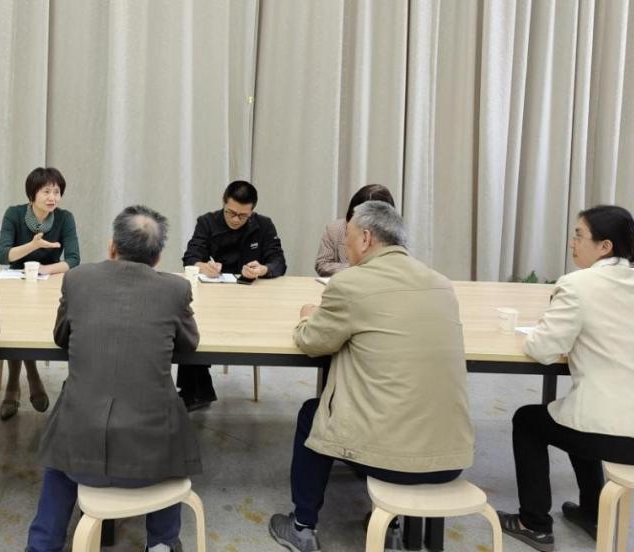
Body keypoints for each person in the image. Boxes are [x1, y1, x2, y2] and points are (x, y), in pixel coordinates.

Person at [267, 201, 474, 552]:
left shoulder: (351, 283)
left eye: (347, 238)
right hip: (452, 456)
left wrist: (306, 316)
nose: (345, 247)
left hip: (392, 459)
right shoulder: (441, 283)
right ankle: (392, 523)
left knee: (312, 414)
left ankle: (302, 526)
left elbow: (313, 342)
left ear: (365, 238)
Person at [26, 205, 200, 552]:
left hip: (79, 454)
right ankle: (162, 543)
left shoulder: (77, 279)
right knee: (170, 424)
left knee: (64, 445)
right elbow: (189, 343)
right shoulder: (175, 289)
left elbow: (61, 336)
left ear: (112, 246)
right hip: (151, 460)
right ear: (158, 257)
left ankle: (42, 545)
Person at [498, 205, 634, 552]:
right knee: (572, 413)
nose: (572, 242)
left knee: (528, 420)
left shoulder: (578, 284)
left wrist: (537, 332)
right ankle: (592, 512)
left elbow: (543, 350)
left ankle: (534, 523)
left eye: (579, 235)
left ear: (605, 246)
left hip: (614, 433)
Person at [178, 180, 286, 410]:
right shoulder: (207, 222)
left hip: (252, 300)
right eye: (231, 212)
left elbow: (278, 261)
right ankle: (195, 391)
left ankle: (197, 391)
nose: (236, 219)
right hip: (214, 297)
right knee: (191, 322)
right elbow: (190, 257)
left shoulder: (264, 225)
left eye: (243, 215)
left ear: (252, 211)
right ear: (223, 203)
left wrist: (262, 269)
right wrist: (203, 266)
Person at [0, 167, 80, 421]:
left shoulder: (64, 218)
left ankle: (16, 384)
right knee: (14, 323)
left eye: (57, 192)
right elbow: (3, 255)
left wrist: (45, 269)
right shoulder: (14, 214)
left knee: (35, 321)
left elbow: (73, 260)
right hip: (15, 282)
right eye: (46, 191)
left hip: (49, 283)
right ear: (32, 194)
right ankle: (25, 378)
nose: (53, 197)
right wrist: (32, 245)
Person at [314, 183, 395, 277]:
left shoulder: (394, 235)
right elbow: (322, 264)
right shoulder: (334, 230)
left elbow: (395, 268)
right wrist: (358, 269)